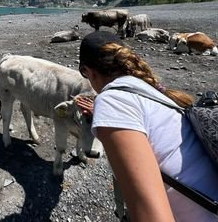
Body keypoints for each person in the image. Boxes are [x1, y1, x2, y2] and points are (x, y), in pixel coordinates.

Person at [76, 31, 218, 222]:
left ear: (88, 72)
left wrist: (108, 112)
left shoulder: (112, 101)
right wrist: (110, 119)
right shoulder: (154, 92)